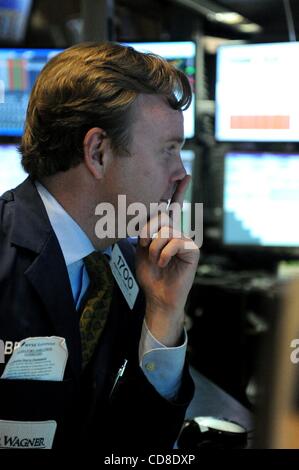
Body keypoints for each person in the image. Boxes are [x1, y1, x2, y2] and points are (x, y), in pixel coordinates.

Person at [0, 42, 199, 451]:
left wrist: (163, 314)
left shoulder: (130, 266)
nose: (181, 175)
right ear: (98, 152)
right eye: (169, 150)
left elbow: (133, 448)